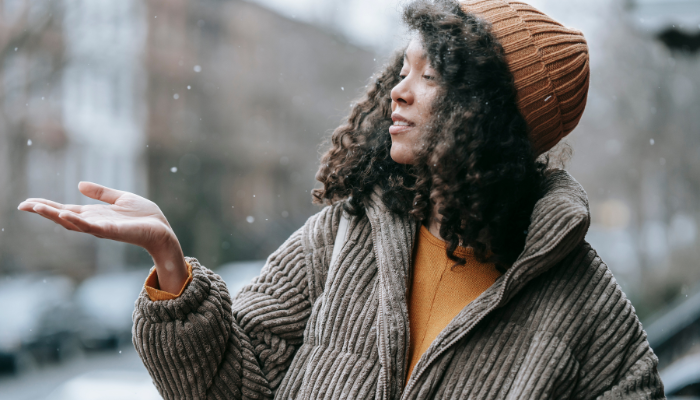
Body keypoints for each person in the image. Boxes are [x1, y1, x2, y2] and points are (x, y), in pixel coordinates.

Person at [19, 0, 665, 398]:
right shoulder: (346, 232)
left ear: (489, 117)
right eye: (401, 69)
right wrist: (171, 266)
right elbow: (230, 386)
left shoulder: (585, 306)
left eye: (429, 76)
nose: (398, 92)